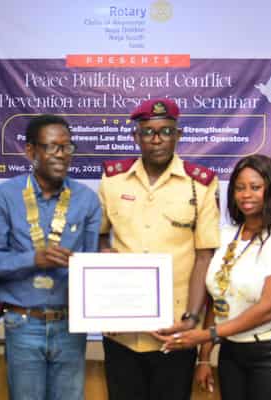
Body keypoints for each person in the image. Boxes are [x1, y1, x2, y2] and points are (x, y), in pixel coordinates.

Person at [98, 98, 220, 400]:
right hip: (121, 329)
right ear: (136, 137)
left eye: (166, 131)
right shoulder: (113, 179)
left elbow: (204, 256)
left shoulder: (201, 184)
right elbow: (99, 238)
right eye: (148, 132)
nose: (157, 139)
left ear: (178, 135)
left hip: (175, 329)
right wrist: (105, 267)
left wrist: (191, 318)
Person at [155, 154, 271, 400]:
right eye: (239, 188)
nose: (246, 195)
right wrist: (204, 357)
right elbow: (218, 300)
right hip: (232, 353)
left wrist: (208, 335)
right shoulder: (226, 235)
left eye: (255, 187)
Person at [0, 114, 101, 400]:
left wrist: (97, 266)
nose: (61, 155)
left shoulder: (86, 199)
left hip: (71, 324)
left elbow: (92, 266)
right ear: (30, 151)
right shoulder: (5, 196)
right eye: (51, 147)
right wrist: (33, 260)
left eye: (67, 147)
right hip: (23, 322)